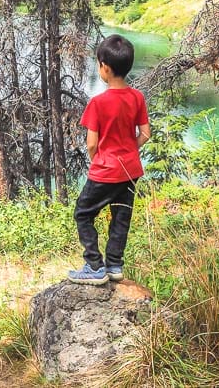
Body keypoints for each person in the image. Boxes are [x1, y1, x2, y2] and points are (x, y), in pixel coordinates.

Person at [68, 34, 151, 285]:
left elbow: (92, 143)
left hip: (105, 170)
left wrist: (98, 159)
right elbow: (145, 133)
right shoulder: (137, 97)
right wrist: (129, 148)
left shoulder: (98, 103)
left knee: (83, 213)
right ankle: (114, 265)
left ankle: (94, 266)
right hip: (130, 169)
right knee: (121, 216)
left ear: (104, 67)